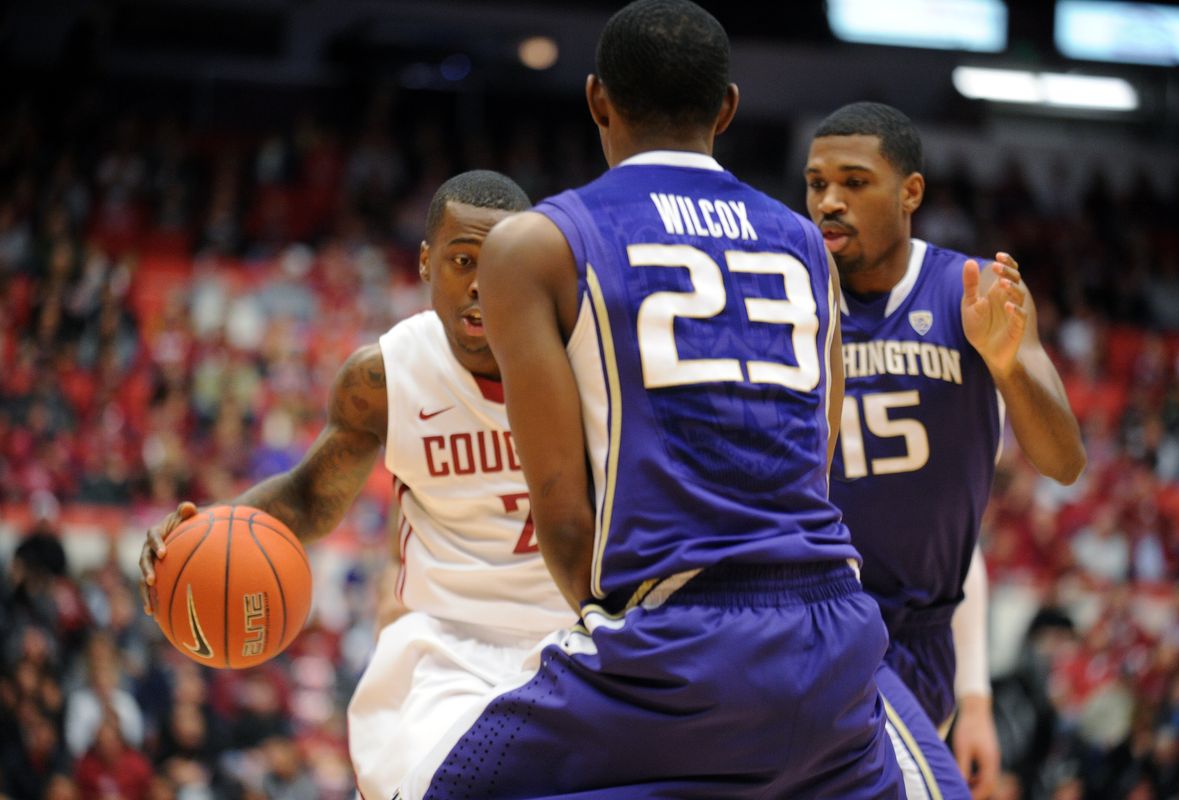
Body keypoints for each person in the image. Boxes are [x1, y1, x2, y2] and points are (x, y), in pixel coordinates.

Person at [420, 2, 956, 797]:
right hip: (834, 633)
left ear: (598, 100)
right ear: (728, 108)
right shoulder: (805, 242)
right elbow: (819, 462)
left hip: (675, 641)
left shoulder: (534, 244)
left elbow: (565, 519)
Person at [138, 170, 575, 800]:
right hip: (447, 645)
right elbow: (308, 499)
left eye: (498, 263)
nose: (480, 284)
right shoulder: (385, 377)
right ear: (426, 263)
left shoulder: (587, 361)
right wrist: (197, 532)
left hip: (572, 636)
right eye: (460, 261)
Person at [804, 101, 1087, 798]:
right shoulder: (790, 295)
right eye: (815, 184)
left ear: (911, 193)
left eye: (854, 181)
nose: (830, 201)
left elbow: (1063, 463)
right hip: (819, 619)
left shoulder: (974, 292)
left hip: (925, 635)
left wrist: (1009, 364)